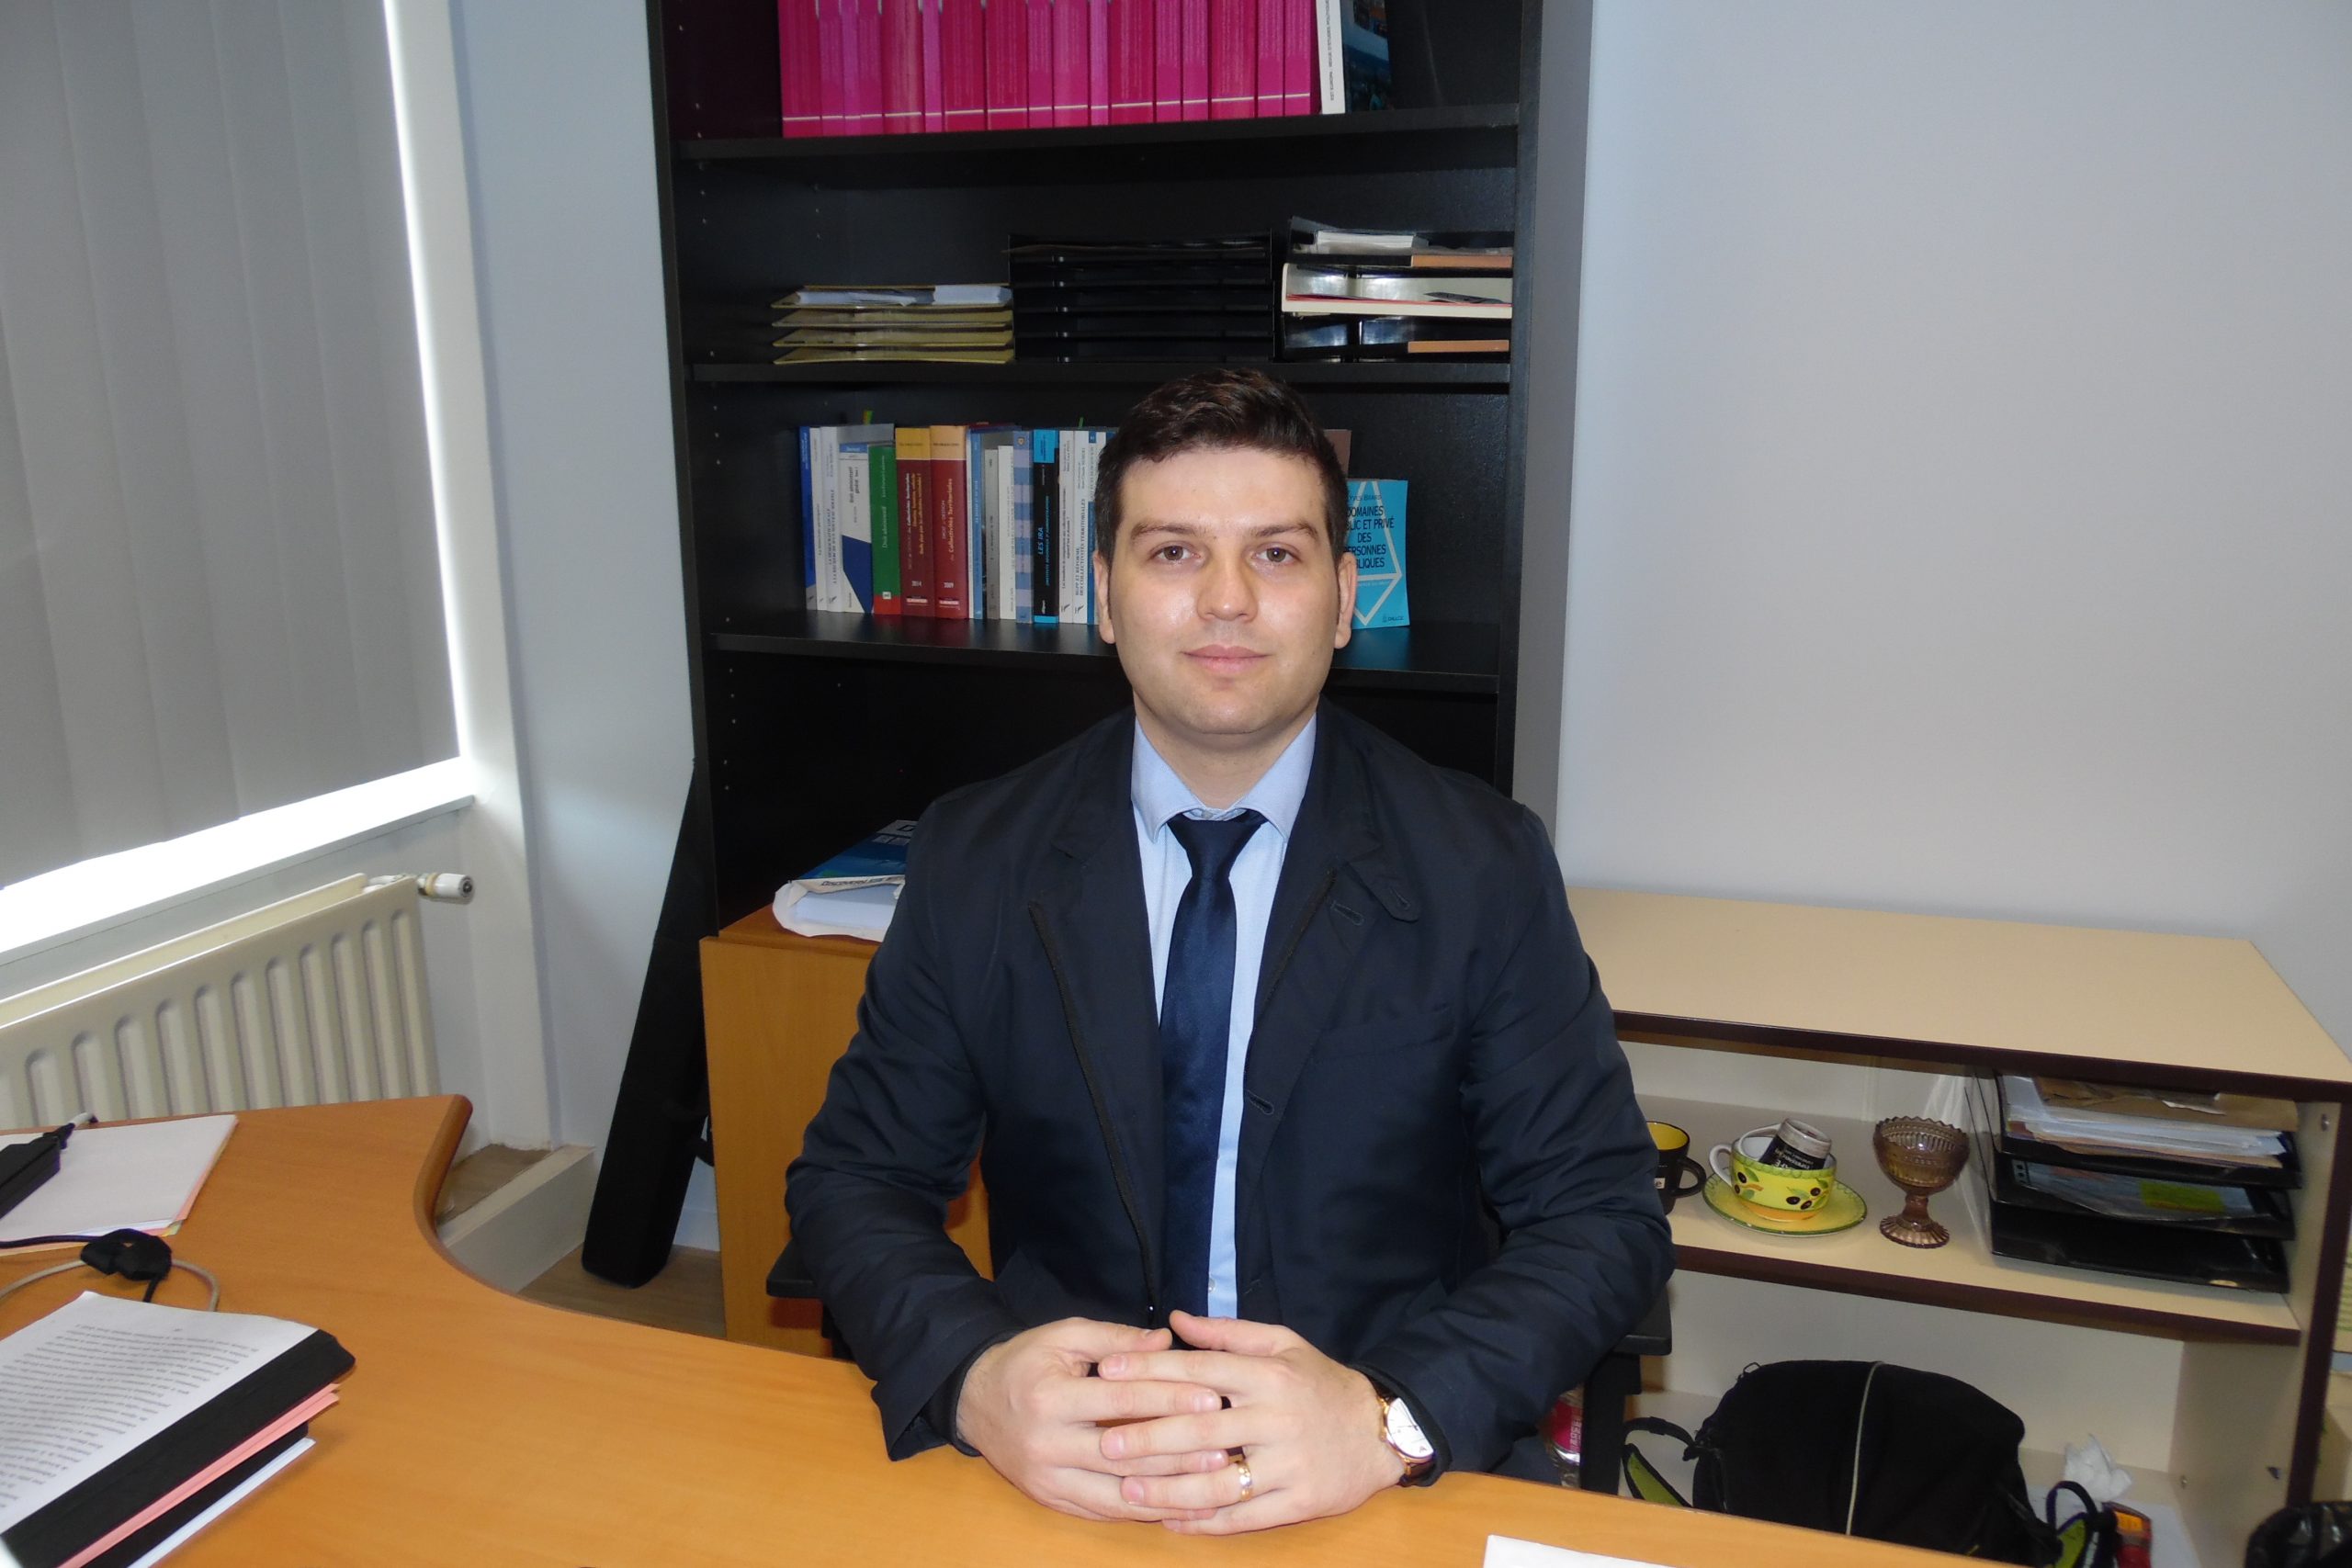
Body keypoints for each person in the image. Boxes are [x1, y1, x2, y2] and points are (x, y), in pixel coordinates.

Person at [786, 368, 1670, 1534]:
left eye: (1276, 554)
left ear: (1342, 598)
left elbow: (1601, 1217)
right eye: (1172, 554)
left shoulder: (1479, 867)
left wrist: (1390, 1420)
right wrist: (974, 1376)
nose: (1225, 601)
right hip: (1067, 1461)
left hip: (1365, 1455)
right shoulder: (979, 857)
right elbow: (856, 1180)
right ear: (1104, 595)